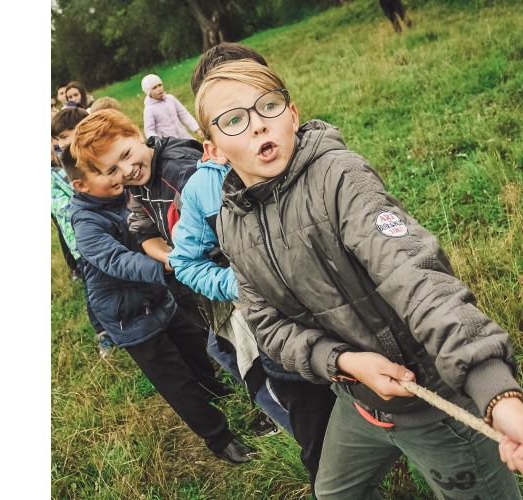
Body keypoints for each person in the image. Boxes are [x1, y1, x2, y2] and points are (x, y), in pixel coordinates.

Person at [195, 60, 523, 498]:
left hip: (432, 404)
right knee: (332, 493)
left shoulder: (340, 178)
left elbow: (414, 276)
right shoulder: (232, 225)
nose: (257, 126)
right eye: (233, 120)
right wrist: (343, 362)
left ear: (292, 114)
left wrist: (495, 393)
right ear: (213, 150)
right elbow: (268, 327)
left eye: (268, 106)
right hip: (357, 400)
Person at [169, 41, 336, 491]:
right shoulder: (205, 189)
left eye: (260, 99)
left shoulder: (321, 160)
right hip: (284, 343)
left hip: (349, 322)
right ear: (212, 127)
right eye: (231, 112)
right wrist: (240, 284)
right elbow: (184, 261)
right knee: (320, 446)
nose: (253, 122)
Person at [63, 124, 255, 465]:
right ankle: (219, 438)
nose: (119, 176)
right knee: (175, 381)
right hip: (129, 316)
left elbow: (149, 224)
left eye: (121, 163)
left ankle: (216, 391)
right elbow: (115, 260)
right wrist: (172, 265)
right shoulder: (85, 222)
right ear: (83, 183)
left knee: (196, 348)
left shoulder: (128, 189)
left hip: (160, 297)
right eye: (108, 173)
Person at [51, 107, 117, 356]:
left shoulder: (95, 157)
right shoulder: (55, 174)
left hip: (113, 228)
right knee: (95, 287)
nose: (63, 143)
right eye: (58, 139)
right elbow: (61, 206)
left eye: (67, 135)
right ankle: (102, 332)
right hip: (82, 242)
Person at [141, 74, 203, 141]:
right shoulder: (149, 109)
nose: (159, 89)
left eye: (160, 85)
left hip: (184, 136)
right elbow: (149, 130)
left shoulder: (170, 98)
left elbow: (184, 114)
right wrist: (159, 141)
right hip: (170, 144)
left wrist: (196, 128)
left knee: (198, 149)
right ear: (148, 92)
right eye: (154, 88)